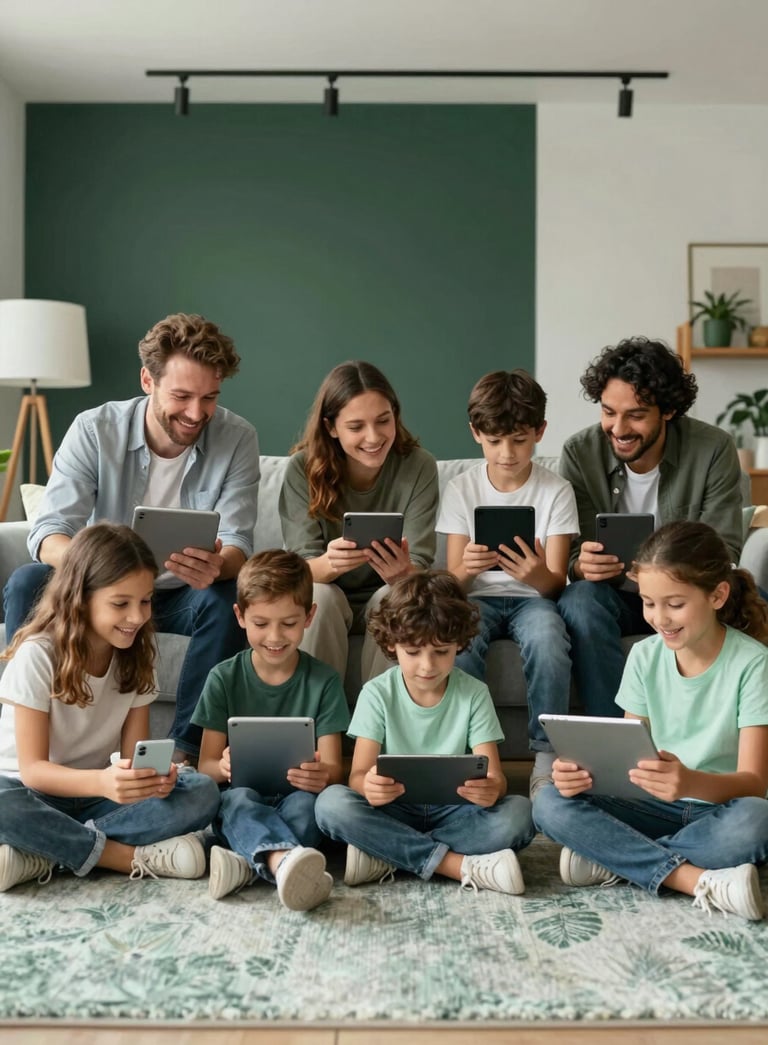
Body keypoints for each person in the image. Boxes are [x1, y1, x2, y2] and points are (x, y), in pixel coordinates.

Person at [2, 313, 260, 764]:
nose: (196, 413)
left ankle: (184, 756)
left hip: (183, 595)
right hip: (103, 591)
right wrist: (100, 570)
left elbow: (237, 539)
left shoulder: (237, 438)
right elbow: (49, 533)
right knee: (28, 581)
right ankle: (24, 748)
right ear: (148, 380)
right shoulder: (94, 429)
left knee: (226, 601)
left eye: (209, 398)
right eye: (181, 396)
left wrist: (222, 565)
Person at [534, 521, 768, 922]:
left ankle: (614, 859)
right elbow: (629, 760)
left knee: (758, 820)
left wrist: (689, 781)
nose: (660, 618)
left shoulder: (753, 663)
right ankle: (694, 879)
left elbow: (755, 782)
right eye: (648, 602)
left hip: (719, 808)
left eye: (675, 604)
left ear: (717, 594)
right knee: (549, 802)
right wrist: (580, 774)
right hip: (652, 805)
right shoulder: (644, 656)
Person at [0, 524, 221, 893]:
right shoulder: (38, 654)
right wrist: (103, 781)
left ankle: (44, 849)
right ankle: (125, 858)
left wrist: (153, 779)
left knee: (201, 791)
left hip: (95, 799)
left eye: (145, 601)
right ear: (80, 598)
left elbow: (135, 758)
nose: (137, 617)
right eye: (121, 603)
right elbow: (34, 770)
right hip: (28, 792)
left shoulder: (137, 657)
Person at [314, 570, 535, 894]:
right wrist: (368, 786)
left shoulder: (473, 693)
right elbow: (358, 776)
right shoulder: (377, 692)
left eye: (441, 652)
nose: (427, 666)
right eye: (413, 652)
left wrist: (491, 790)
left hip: (456, 810)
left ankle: (387, 853)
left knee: (521, 813)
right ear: (391, 644)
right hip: (392, 809)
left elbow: (496, 779)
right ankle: (455, 864)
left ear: (459, 644)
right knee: (331, 803)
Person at [557, 336, 743, 717]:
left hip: (685, 594)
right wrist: (579, 565)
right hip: (614, 595)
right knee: (580, 600)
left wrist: (670, 583)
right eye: (609, 412)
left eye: (636, 415)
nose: (618, 428)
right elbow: (569, 548)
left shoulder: (713, 449)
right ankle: (613, 742)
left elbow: (724, 548)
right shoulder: (579, 452)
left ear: (669, 410)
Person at [437, 370, 578, 796]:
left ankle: (547, 756)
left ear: (540, 432)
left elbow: (554, 586)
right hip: (476, 598)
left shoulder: (556, 491)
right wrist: (469, 568)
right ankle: (467, 752)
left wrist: (532, 572)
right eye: (495, 441)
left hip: (533, 599)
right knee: (459, 646)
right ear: (476, 433)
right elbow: (451, 585)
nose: (507, 453)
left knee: (550, 640)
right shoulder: (461, 489)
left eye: (519, 439)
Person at [193, 549, 350, 909]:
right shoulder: (223, 678)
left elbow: (333, 769)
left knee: (310, 806)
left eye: (289, 623)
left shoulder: (324, 681)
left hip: (298, 796)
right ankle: (284, 862)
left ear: (309, 617)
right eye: (261, 624)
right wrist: (222, 767)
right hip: (244, 793)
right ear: (240, 616)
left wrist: (319, 775)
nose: (275, 636)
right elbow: (205, 767)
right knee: (235, 800)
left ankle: (249, 865)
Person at [279, 360, 439, 684]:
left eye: (384, 421)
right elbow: (300, 570)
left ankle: (378, 730)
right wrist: (331, 562)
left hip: (387, 592)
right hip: (327, 594)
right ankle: (321, 728)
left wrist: (403, 573)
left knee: (395, 597)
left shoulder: (419, 466)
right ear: (331, 427)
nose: (374, 437)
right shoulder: (301, 469)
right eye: (356, 427)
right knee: (321, 597)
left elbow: (419, 569)